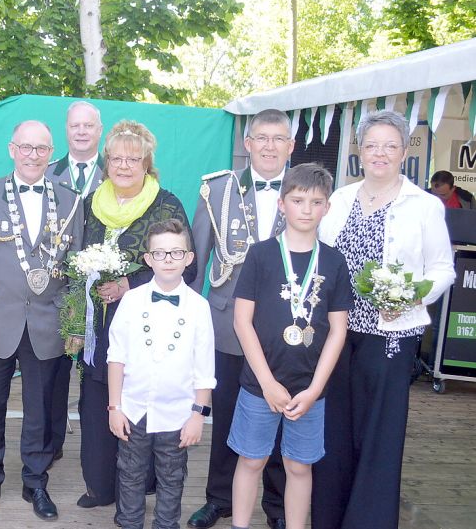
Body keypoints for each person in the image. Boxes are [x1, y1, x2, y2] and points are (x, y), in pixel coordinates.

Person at [313, 110, 455, 529]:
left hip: (391, 335)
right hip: (337, 334)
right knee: (333, 431)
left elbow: (443, 269)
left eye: (390, 145)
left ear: (404, 150)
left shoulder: (425, 206)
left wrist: (412, 296)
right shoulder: (338, 199)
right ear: (359, 149)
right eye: (372, 145)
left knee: (378, 434)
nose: (380, 153)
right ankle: (329, 518)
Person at [0, 120, 84, 521]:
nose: (33, 156)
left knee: (41, 410)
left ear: (52, 154)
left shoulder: (71, 200)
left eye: (42, 149)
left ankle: (35, 481)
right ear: (12, 149)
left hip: (48, 322)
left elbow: (78, 270)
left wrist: (75, 324)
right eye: (26, 148)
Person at [76, 120, 194, 513]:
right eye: (117, 158)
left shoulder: (166, 204)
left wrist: (131, 284)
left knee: (143, 403)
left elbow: (185, 265)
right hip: (100, 326)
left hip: (150, 326)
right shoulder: (92, 204)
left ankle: (141, 488)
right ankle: (100, 486)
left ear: (147, 164)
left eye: (133, 159)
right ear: (106, 163)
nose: (124, 166)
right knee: (97, 402)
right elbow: (75, 260)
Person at [229, 164, 352, 529]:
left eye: (316, 202)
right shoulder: (261, 255)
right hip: (259, 384)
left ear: (327, 207)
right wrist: (267, 382)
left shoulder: (334, 260)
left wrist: (315, 389)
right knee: (251, 460)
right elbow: (241, 321)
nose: (306, 209)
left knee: (300, 465)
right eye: (298, 200)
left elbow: (338, 330)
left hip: (309, 388)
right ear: (283, 204)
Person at [188, 108, 291, 529]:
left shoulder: (310, 192)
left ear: (290, 146)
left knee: (284, 416)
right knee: (227, 414)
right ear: (247, 144)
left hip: (288, 330)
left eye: (277, 138)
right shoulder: (217, 191)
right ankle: (219, 497)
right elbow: (197, 260)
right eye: (261, 138)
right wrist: (188, 322)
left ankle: (279, 506)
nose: (269, 146)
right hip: (228, 324)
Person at [107, 219, 215, 529]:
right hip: (133, 409)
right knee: (129, 473)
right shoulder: (131, 301)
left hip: (178, 413)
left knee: (172, 476)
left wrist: (198, 415)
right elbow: (116, 357)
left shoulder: (199, 307)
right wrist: (115, 407)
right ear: (148, 259)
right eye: (160, 253)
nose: (168, 260)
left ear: (189, 258)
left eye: (176, 253)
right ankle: (129, 523)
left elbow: (205, 368)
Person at [45, 100, 105, 462]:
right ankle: (50, 446)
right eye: (75, 126)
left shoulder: (117, 175)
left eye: (88, 126)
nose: (81, 132)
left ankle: (96, 451)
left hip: (102, 294)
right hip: (55, 292)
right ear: (66, 130)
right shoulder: (48, 174)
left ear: (99, 130)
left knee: (96, 379)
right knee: (52, 376)